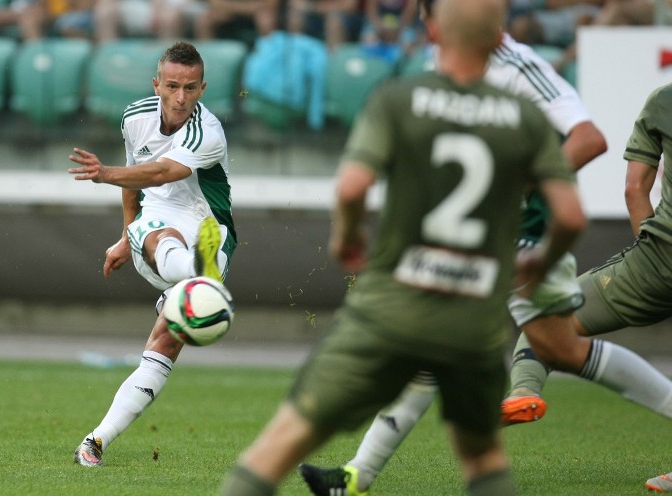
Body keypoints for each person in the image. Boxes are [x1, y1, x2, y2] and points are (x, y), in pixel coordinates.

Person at [219, 0, 587, 494]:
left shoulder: (399, 99)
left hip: (392, 304)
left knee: (282, 441)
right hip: (473, 318)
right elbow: (570, 216)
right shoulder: (524, 118)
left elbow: (351, 189)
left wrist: (347, 239)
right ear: (500, 39)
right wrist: (538, 262)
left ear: (431, 31)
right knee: (482, 459)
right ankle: (359, 475)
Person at [67, 41, 237, 467]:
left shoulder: (208, 132)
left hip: (207, 224)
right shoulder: (135, 117)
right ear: (157, 83)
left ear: (203, 88)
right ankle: (198, 271)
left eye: (192, 88)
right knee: (159, 236)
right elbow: (136, 178)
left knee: (164, 341)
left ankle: (95, 441)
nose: (181, 98)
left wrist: (103, 173)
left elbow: (163, 171)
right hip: (159, 215)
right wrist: (126, 236)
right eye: (174, 86)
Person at [505, 81, 672, 492]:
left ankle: (523, 390)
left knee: (547, 323)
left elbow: (636, 188)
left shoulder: (665, 100)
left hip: (661, 259)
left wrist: (650, 251)